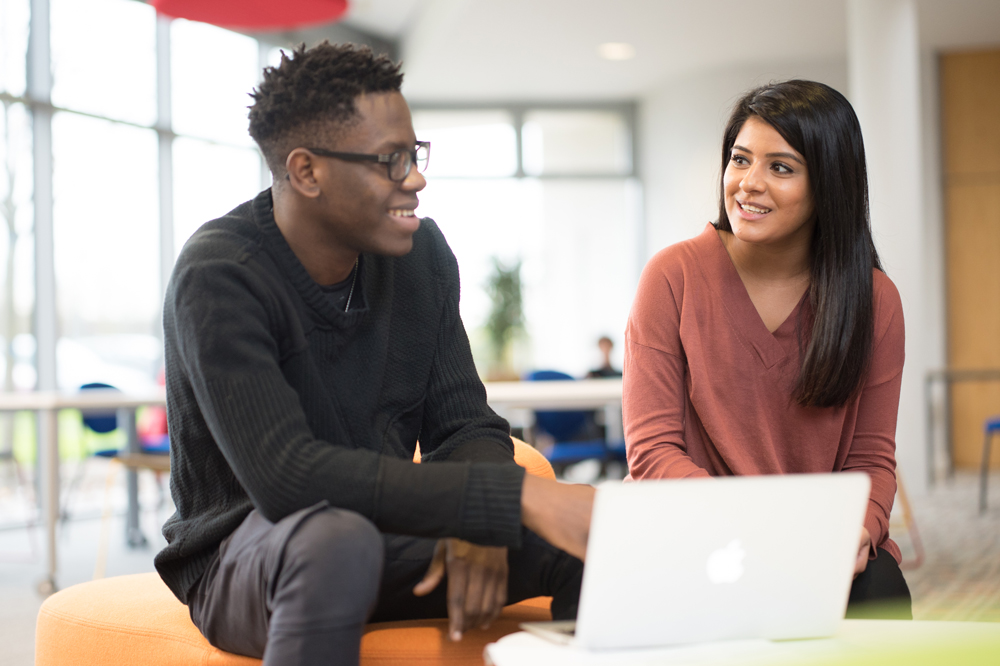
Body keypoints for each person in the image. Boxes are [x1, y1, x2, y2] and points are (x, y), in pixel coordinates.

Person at [154, 42, 594, 666]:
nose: (414, 178)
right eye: (390, 161)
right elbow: (289, 478)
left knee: (586, 538)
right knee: (335, 542)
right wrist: (505, 498)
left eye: (414, 155)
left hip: (381, 533)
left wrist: (477, 521)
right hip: (249, 558)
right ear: (306, 171)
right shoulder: (221, 274)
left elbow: (465, 424)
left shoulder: (421, 256)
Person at [622, 80, 911, 618]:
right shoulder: (673, 276)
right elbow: (653, 454)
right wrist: (760, 531)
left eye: (781, 167)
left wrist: (859, 529)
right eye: (740, 159)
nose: (748, 185)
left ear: (828, 185)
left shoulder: (873, 300)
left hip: (815, 541)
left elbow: (871, 461)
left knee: (880, 593)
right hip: (693, 535)